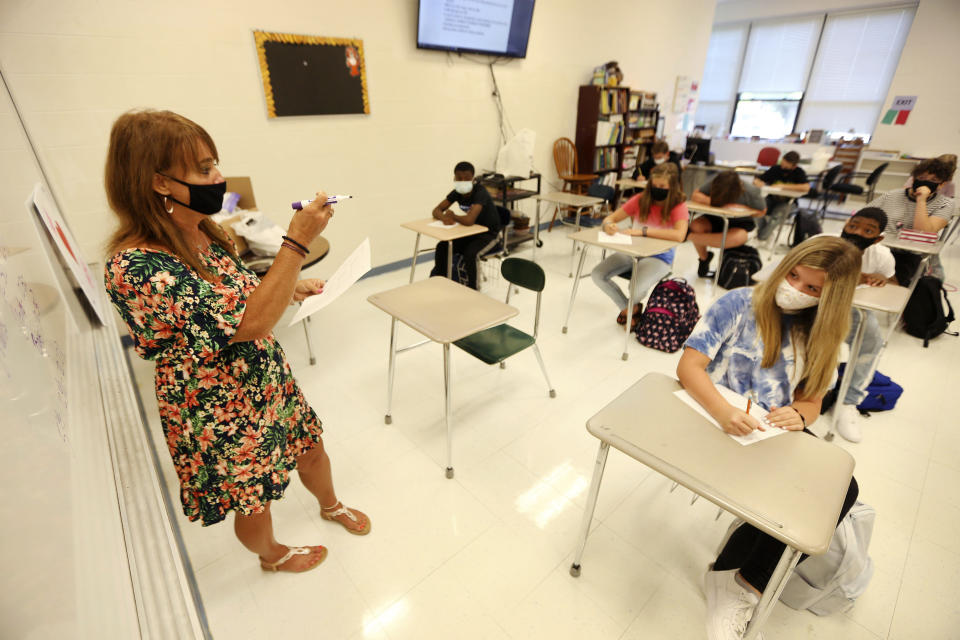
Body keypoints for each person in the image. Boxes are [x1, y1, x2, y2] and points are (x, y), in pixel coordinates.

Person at [103, 109, 369, 575]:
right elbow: (244, 325)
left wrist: (290, 287)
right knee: (253, 497)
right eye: (205, 168)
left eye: (215, 164)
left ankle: (330, 505)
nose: (219, 177)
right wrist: (297, 243)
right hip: (217, 408)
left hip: (265, 378)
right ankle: (272, 555)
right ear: (160, 182)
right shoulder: (136, 267)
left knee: (310, 447)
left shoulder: (207, 230)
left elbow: (242, 293)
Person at [677, 236, 862, 640]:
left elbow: (812, 401)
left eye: (812, 288)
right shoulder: (739, 303)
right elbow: (689, 367)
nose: (795, 289)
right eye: (793, 275)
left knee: (841, 488)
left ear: (830, 299)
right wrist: (723, 411)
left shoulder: (826, 334)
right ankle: (729, 578)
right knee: (788, 491)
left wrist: (799, 414)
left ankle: (746, 583)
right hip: (714, 415)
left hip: (768, 429)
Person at [825, 208, 896, 443]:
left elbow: (891, 283)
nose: (857, 232)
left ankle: (848, 401)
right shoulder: (824, 242)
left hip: (851, 308)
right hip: (813, 300)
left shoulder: (882, 255)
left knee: (871, 341)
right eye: (853, 226)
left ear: (878, 238)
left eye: (868, 230)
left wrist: (881, 279)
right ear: (846, 223)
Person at [591, 163, 689, 328]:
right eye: (655, 185)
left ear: (672, 186)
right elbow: (610, 219)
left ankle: (629, 309)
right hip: (631, 251)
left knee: (635, 289)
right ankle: (631, 309)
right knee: (597, 274)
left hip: (660, 256)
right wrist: (609, 226)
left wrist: (643, 231)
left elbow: (679, 235)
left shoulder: (678, 205)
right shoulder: (640, 199)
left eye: (662, 186)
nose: (658, 189)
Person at [866, 157, 955, 285]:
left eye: (934, 180)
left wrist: (921, 200)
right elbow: (863, 216)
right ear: (913, 178)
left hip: (908, 255)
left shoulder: (946, 204)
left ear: (942, 185)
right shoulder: (892, 195)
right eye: (922, 178)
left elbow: (922, 232)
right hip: (878, 248)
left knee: (887, 282)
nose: (925, 182)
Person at [430, 161, 501, 289]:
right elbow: (436, 210)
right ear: (454, 178)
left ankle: (473, 290)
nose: (462, 181)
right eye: (459, 178)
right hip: (471, 233)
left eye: (467, 179)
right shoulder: (457, 193)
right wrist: (444, 217)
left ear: (473, 179)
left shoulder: (480, 192)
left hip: (490, 235)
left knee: (470, 254)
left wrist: (453, 216)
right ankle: (441, 282)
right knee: (442, 246)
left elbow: (469, 221)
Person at [689, 170, 767, 277]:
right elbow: (696, 195)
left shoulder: (751, 191)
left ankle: (687, 236)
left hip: (741, 222)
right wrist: (717, 203)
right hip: (716, 218)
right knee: (696, 225)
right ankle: (704, 258)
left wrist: (744, 209)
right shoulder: (718, 181)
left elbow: (762, 211)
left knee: (735, 238)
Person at [752, 150, 810, 242]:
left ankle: (762, 236)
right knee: (756, 208)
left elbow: (806, 187)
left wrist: (783, 186)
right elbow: (757, 180)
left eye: (786, 166)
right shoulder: (775, 169)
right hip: (771, 199)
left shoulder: (799, 172)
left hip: (788, 202)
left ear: (793, 166)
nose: (783, 167)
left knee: (777, 215)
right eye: (782, 163)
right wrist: (760, 184)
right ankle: (763, 234)